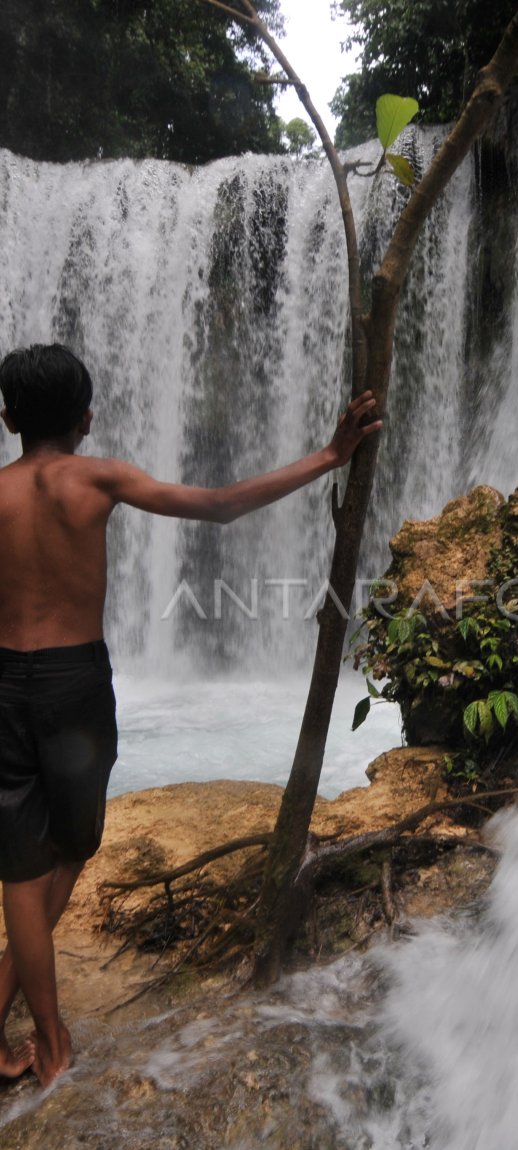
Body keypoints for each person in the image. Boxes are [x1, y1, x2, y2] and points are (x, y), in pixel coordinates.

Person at [0, 342, 380, 1088]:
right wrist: (331, 456)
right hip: (74, 685)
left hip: (4, 681)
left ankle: (32, 1033)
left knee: (18, 865)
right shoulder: (100, 478)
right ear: (86, 417)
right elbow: (219, 505)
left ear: (7, 418)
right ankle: (52, 1047)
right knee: (70, 849)